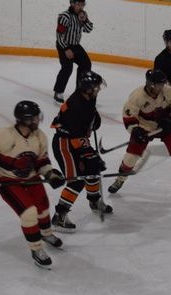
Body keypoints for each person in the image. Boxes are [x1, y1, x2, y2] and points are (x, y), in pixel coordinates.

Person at [0, 101, 66, 269]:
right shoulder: (3, 136)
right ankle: (36, 249)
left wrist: (50, 173)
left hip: (31, 178)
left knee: (43, 208)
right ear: (26, 120)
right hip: (7, 180)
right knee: (29, 213)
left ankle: (46, 233)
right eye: (35, 117)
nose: (38, 120)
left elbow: (42, 161)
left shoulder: (39, 137)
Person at [107, 69, 171, 195]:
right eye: (159, 84)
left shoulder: (168, 91)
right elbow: (128, 117)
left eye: (163, 83)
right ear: (151, 84)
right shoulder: (137, 96)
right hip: (144, 127)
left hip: (166, 128)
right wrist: (136, 130)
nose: (162, 86)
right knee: (130, 158)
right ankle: (119, 180)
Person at [49, 70, 111, 233]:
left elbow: (88, 120)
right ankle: (59, 217)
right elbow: (76, 134)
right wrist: (88, 154)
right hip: (65, 144)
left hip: (76, 140)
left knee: (92, 170)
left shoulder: (87, 98)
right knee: (76, 181)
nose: (98, 90)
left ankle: (94, 201)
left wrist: (93, 120)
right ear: (87, 88)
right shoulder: (77, 105)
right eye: (96, 87)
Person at [54, 0, 93, 104]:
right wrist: (66, 49)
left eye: (82, 4)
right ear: (72, 4)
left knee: (86, 64)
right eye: (78, 4)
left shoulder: (82, 15)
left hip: (75, 45)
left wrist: (84, 20)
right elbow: (59, 36)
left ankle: (80, 91)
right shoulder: (64, 16)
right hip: (64, 45)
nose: (81, 7)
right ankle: (58, 92)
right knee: (67, 68)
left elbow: (89, 29)